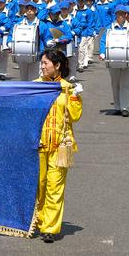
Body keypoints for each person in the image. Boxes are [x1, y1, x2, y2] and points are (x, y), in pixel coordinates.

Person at [34, 49, 83, 243]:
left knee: (55, 187)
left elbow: (75, 116)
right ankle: (38, 221)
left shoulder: (68, 88)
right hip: (37, 144)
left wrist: (75, 97)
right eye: (42, 63)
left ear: (57, 65)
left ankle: (50, 228)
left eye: (45, 63)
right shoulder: (35, 86)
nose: (42, 66)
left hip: (62, 145)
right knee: (39, 185)